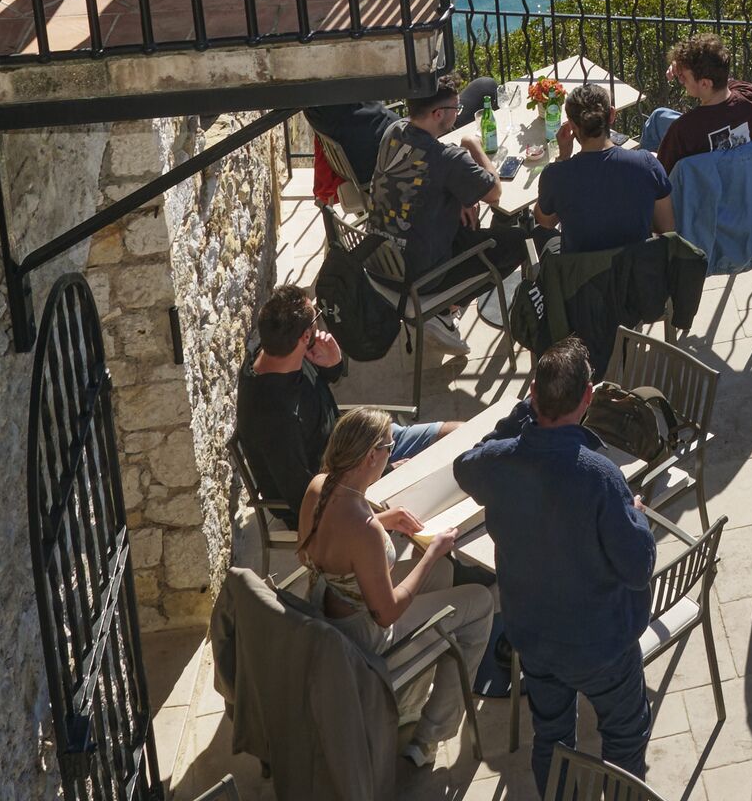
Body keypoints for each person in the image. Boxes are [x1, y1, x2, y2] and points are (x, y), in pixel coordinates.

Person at [456, 339, 656, 790]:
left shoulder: (499, 462)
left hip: (534, 638)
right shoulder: (600, 476)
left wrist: (519, 418)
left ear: (533, 393)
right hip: (602, 645)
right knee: (624, 740)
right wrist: (638, 519)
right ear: (588, 398)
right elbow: (637, 567)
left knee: (553, 736)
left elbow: (465, 465)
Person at [234, 285, 442, 526]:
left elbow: (316, 391)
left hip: (356, 442)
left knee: (454, 435)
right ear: (305, 336)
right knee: (433, 494)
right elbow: (307, 500)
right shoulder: (277, 422)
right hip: (340, 488)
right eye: (317, 317)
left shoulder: (275, 354)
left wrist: (333, 363)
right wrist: (380, 475)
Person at [294, 409, 459, 657]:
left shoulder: (318, 485)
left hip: (325, 607)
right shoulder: (365, 527)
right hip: (364, 638)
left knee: (444, 572)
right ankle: (420, 683)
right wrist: (431, 554)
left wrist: (384, 520)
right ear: (372, 455)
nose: (391, 455)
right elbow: (386, 615)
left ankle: (429, 654)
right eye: (390, 448)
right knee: (479, 602)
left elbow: (310, 550)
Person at [366, 80, 539, 298]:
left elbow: (422, 179)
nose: (458, 113)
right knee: (520, 240)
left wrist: (457, 199)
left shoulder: (394, 131)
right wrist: (471, 143)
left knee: (467, 220)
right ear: (438, 114)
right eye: (456, 108)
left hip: (378, 261)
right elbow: (495, 192)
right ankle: (449, 307)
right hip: (420, 278)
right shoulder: (448, 159)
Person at [533, 86, 677, 252]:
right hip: (634, 273)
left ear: (572, 125)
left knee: (541, 235)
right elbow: (667, 227)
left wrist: (563, 157)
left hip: (582, 275)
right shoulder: (647, 165)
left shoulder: (556, 175)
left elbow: (546, 222)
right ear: (612, 115)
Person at [654, 34, 752, 170]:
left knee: (652, 132)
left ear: (705, 84)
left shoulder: (683, 131)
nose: (681, 80)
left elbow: (660, 178)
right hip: (741, 176)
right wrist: (684, 66)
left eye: (684, 77)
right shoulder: (750, 97)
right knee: (659, 116)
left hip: (703, 189)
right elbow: (724, 79)